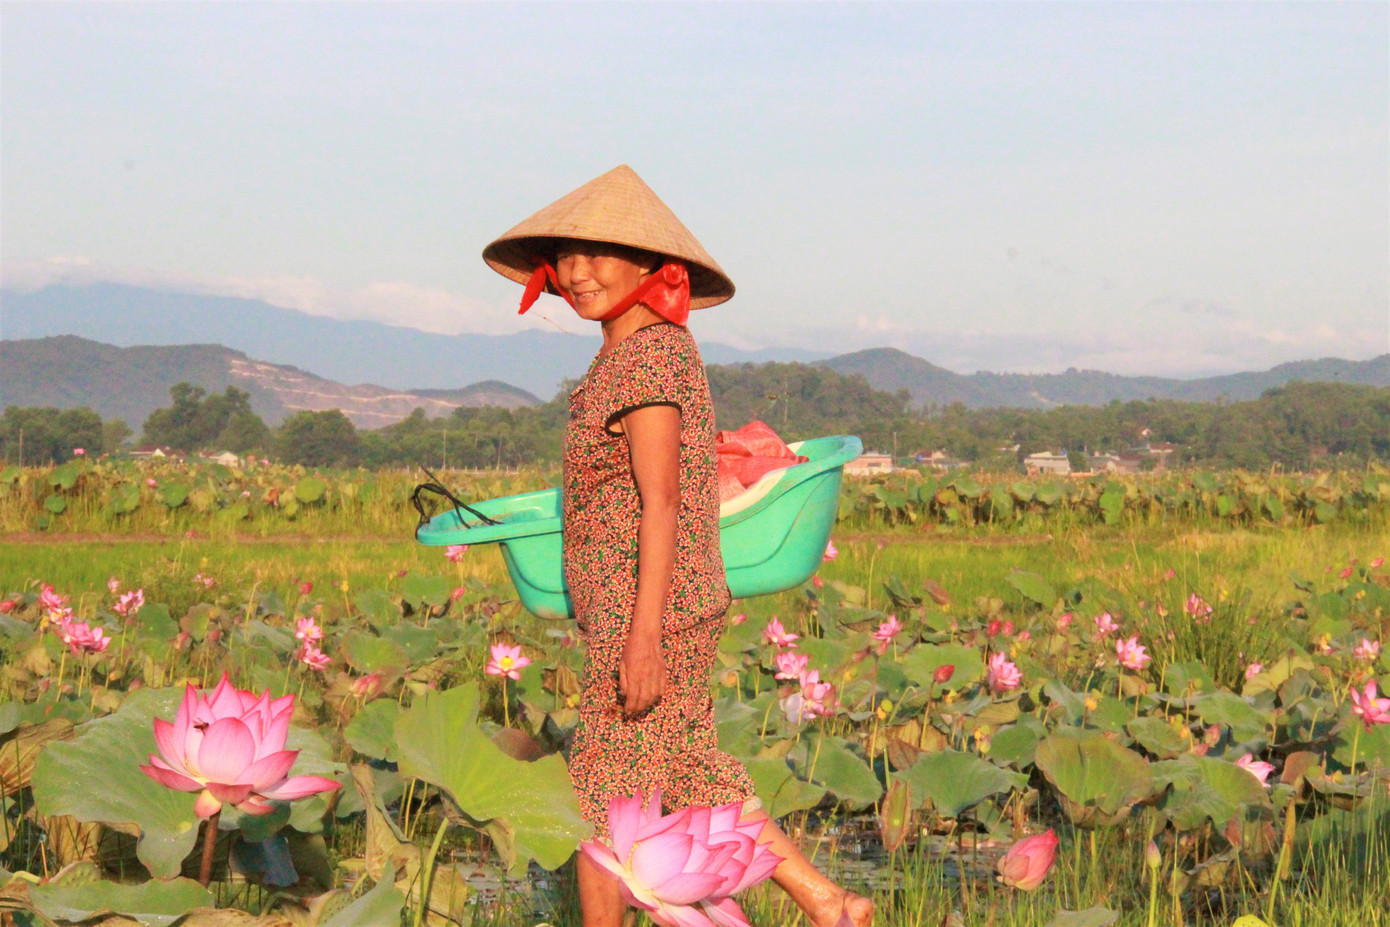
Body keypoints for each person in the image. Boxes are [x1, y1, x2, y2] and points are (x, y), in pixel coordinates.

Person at [482, 165, 873, 927]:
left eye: (600, 254)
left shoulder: (649, 358)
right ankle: (831, 903)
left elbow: (660, 499)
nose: (578, 271)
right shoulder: (627, 352)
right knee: (692, 769)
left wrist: (643, 636)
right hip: (647, 605)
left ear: (648, 267)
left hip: (649, 608)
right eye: (567, 255)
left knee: (599, 792)